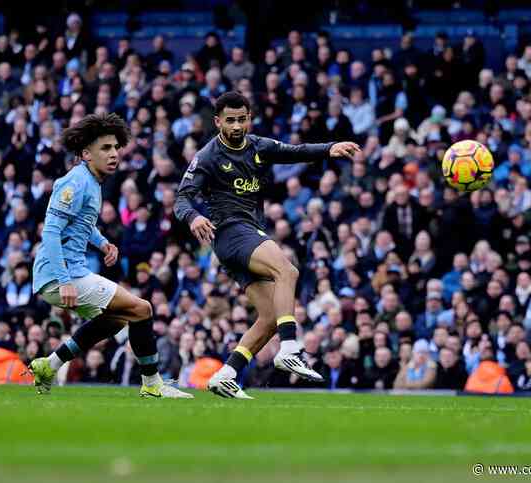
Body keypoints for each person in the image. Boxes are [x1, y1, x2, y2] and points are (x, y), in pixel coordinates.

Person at [175, 91, 360, 398]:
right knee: (287, 271)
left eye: (242, 119)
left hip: (245, 236)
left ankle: (227, 373)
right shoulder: (207, 156)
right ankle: (289, 348)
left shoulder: (258, 145)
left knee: (271, 317)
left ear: (249, 118)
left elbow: (296, 150)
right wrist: (194, 217)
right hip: (232, 233)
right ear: (218, 121)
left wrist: (330, 148)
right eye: (230, 120)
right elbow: (182, 197)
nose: (236, 126)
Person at [29, 113, 191, 399]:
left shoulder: (91, 181)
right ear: (86, 154)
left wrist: (103, 243)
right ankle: (152, 384)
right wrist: (65, 280)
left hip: (67, 271)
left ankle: (49, 364)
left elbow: (81, 224)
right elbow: (51, 233)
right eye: (105, 148)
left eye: (116, 147)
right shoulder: (74, 182)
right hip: (60, 274)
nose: (114, 153)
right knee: (142, 309)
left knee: (119, 319)